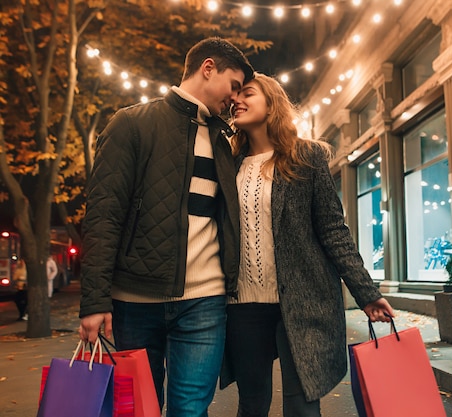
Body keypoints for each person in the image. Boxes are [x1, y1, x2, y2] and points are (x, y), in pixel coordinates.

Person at [78, 37, 254, 416]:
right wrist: (94, 302)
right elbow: (103, 216)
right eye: (234, 86)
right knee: (139, 410)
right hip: (133, 302)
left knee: (190, 411)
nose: (235, 99)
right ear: (208, 68)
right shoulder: (131, 124)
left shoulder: (224, 143)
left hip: (205, 303)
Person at [220, 73, 395, 417]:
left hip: (304, 301)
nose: (236, 100)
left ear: (272, 104)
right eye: (234, 95)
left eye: (248, 93)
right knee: (252, 403)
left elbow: (333, 230)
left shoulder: (307, 157)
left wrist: (367, 292)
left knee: (302, 406)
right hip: (242, 305)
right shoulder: (227, 163)